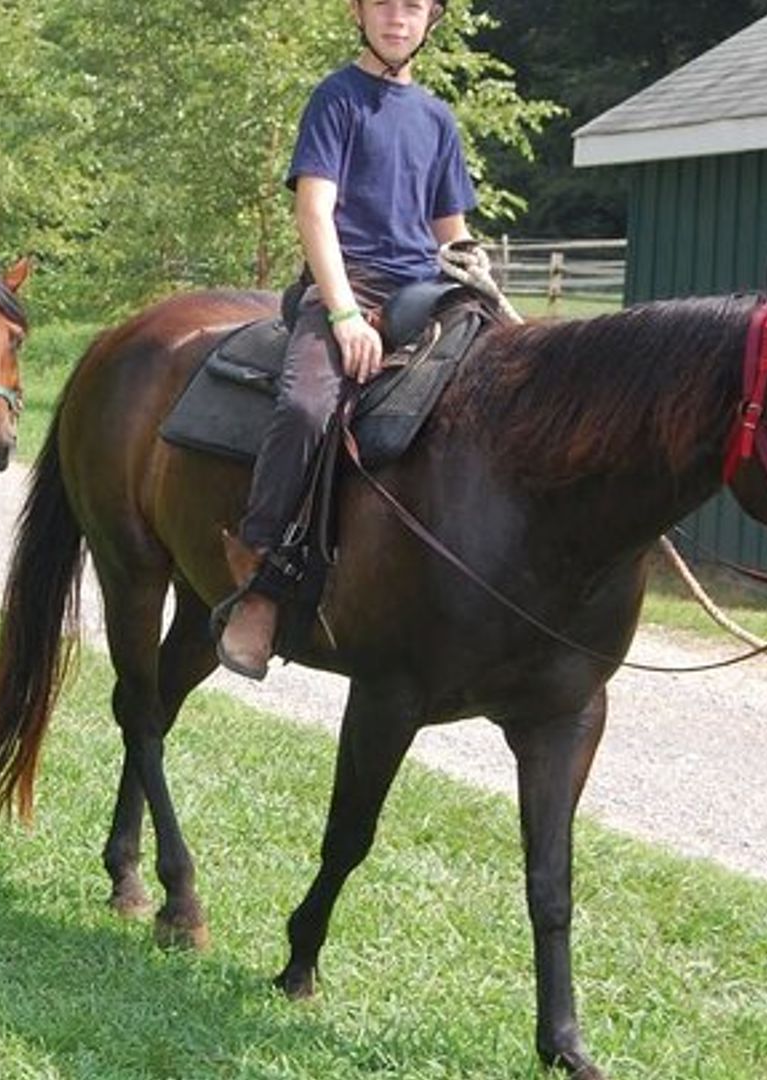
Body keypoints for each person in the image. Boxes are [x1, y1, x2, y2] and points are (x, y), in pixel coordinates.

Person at [212, 0, 478, 679]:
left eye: (413, 6)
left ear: (431, 21)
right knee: (307, 408)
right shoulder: (337, 98)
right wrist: (343, 316)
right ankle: (260, 575)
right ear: (360, 13)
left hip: (425, 293)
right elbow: (314, 211)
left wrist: (478, 273)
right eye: (384, 3)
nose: (398, 18)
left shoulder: (437, 118)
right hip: (348, 285)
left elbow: (450, 230)